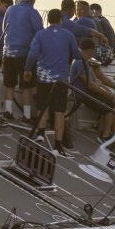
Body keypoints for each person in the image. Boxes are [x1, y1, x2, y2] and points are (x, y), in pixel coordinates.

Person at [24, 8, 82, 157]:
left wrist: (27, 69)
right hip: (61, 80)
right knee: (59, 112)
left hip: (43, 78)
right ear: (61, 20)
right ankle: (57, 145)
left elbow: (33, 54)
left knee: (42, 106)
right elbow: (76, 54)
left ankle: (40, 134)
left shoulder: (40, 34)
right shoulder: (68, 35)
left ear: (48, 20)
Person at [69, 38, 115, 142]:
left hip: (88, 92)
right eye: (93, 50)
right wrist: (109, 95)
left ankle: (114, 134)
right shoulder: (79, 62)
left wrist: (108, 91)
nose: (93, 53)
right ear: (89, 50)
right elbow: (90, 85)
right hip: (82, 94)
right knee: (112, 106)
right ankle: (104, 136)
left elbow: (96, 80)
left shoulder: (86, 61)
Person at [2, 0, 43, 121]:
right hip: (25, 54)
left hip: (8, 52)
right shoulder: (33, 13)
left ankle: (8, 112)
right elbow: (39, 34)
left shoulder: (10, 9)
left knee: (9, 84)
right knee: (27, 86)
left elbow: (4, 28)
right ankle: (26, 116)